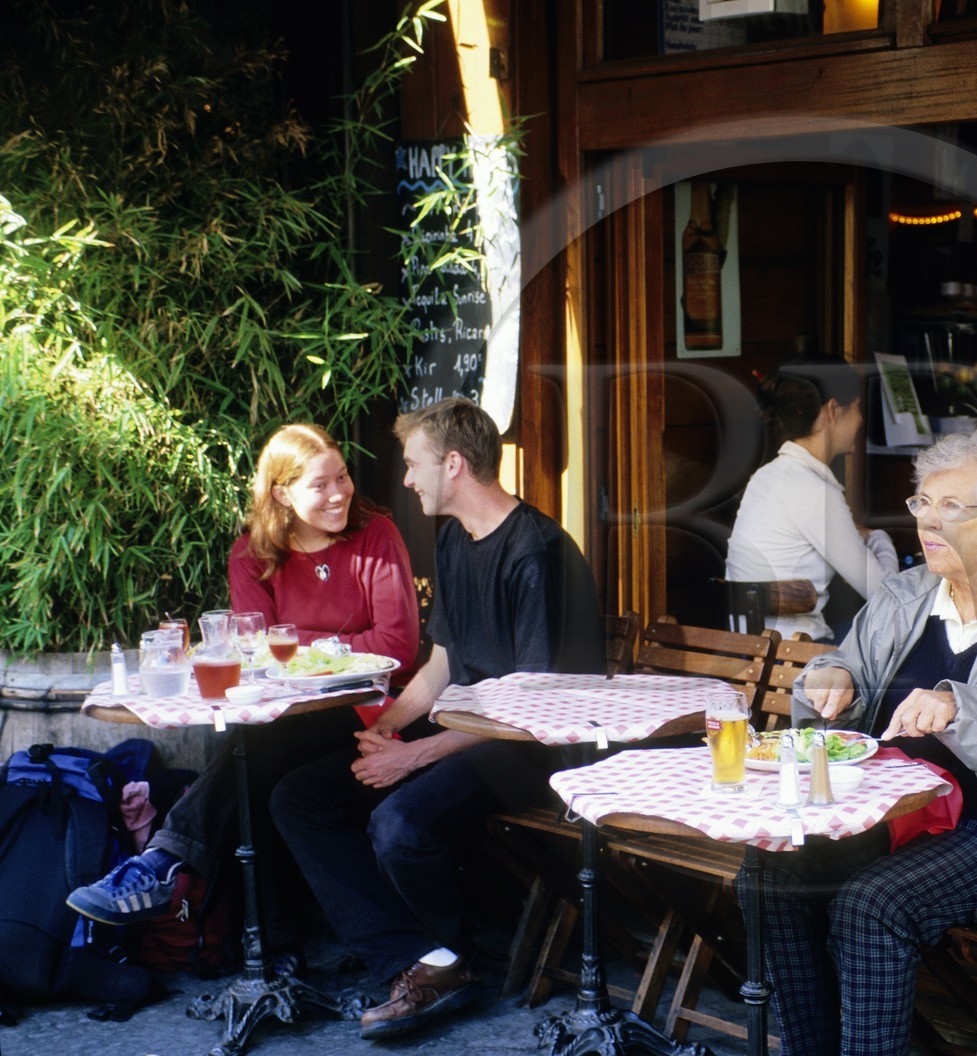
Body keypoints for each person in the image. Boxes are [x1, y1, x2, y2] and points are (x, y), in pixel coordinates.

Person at [739, 422, 977, 1056]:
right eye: (923, 503)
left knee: (871, 906)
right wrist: (834, 677)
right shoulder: (904, 595)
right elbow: (848, 663)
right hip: (899, 815)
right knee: (767, 873)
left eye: (952, 507)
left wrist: (960, 710)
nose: (927, 523)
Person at [269, 398, 604, 1040]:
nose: (407, 479)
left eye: (415, 463)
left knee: (398, 824)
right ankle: (422, 961)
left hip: (534, 748)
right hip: (472, 728)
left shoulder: (538, 553)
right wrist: (388, 727)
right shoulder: (455, 538)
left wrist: (413, 755)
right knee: (298, 798)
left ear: (454, 464)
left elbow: (532, 708)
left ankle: (440, 967)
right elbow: (445, 663)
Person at [66, 424, 419, 947]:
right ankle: (265, 945)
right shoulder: (251, 555)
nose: (340, 492)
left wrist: (297, 642)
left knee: (253, 751)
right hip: (290, 716)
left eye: (342, 477)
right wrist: (329, 644)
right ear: (282, 492)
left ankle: (168, 863)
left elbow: (398, 646)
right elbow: (254, 652)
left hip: (374, 710)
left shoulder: (376, 535)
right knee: (257, 754)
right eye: (321, 485)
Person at [725, 355, 897, 640]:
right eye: (855, 407)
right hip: (791, 657)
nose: (861, 419)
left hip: (750, 650)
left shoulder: (767, 477)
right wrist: (880, 538)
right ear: (832, 411)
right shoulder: (813, 489)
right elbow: (886, 592)